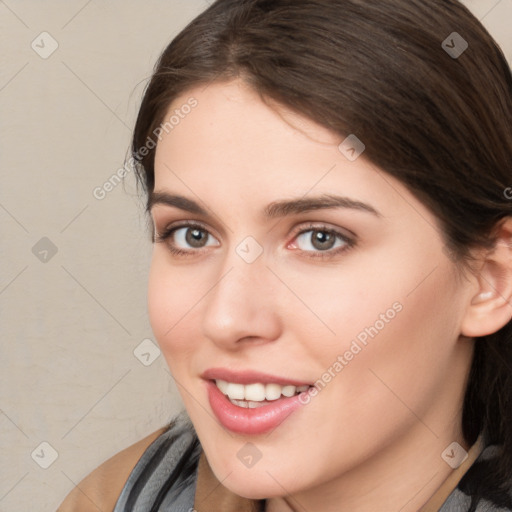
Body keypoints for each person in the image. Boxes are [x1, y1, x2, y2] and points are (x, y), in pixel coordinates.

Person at [58, 0, 512, 510]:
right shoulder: (114, 499)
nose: (226, 319)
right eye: (191, 234)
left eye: (321, 238)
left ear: (491, 278)